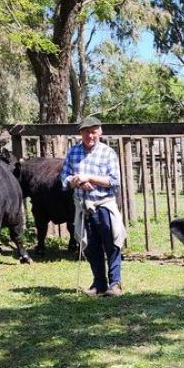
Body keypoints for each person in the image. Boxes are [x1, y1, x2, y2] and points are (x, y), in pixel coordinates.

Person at [62, 115, 125, 297]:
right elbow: (64, 179)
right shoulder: (73, 152)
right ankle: (99, 284)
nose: (90, 136)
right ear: (80, 133)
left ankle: (115, 284)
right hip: (83, 207)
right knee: (90, 246)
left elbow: (114, 181)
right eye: (86, 132)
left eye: (93, 132)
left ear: (100, 132)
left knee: (112, 244)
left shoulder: (108, 153)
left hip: (104, 205)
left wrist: (89, 178)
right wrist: (77, 181)